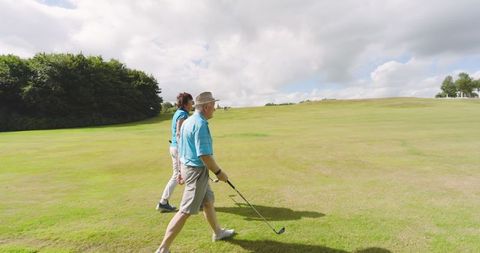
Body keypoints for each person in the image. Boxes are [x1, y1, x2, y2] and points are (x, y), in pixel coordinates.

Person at [155, 92, 234, 253]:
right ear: (206, 107)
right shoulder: (200, 124)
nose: (215, 108)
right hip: (196, 172)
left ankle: (218, 233)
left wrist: (179, 171)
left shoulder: (188, 121)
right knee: (185, 210)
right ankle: (163, 249)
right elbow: (204, 155)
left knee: (207, 202)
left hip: (190, 168)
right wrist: (219, 172)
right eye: (212, 105)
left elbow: (182, 148)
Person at [156, 92, 194, 212]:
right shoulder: (182, 114)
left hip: (175, 147)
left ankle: (198, 200)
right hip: (178, 149)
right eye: (191, 101)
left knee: (184, 174)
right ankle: (163, 202)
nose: (192, 103)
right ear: (185, 103)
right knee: (179, 175)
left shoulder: (179, 113)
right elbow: (179, 132)